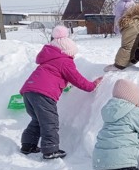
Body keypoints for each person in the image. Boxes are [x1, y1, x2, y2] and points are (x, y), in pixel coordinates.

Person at [19, 25, 103, 159]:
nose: (74, 56)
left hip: (29, 91)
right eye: (73, 53)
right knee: (50, 122)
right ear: (67, 51)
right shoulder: (65, 62)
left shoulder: (49, 60)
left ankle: (28, 145)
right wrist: (92, 85)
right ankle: (50, 150)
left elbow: (52, 76)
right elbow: (77, 79)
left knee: (37, 119)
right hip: (43, 94)